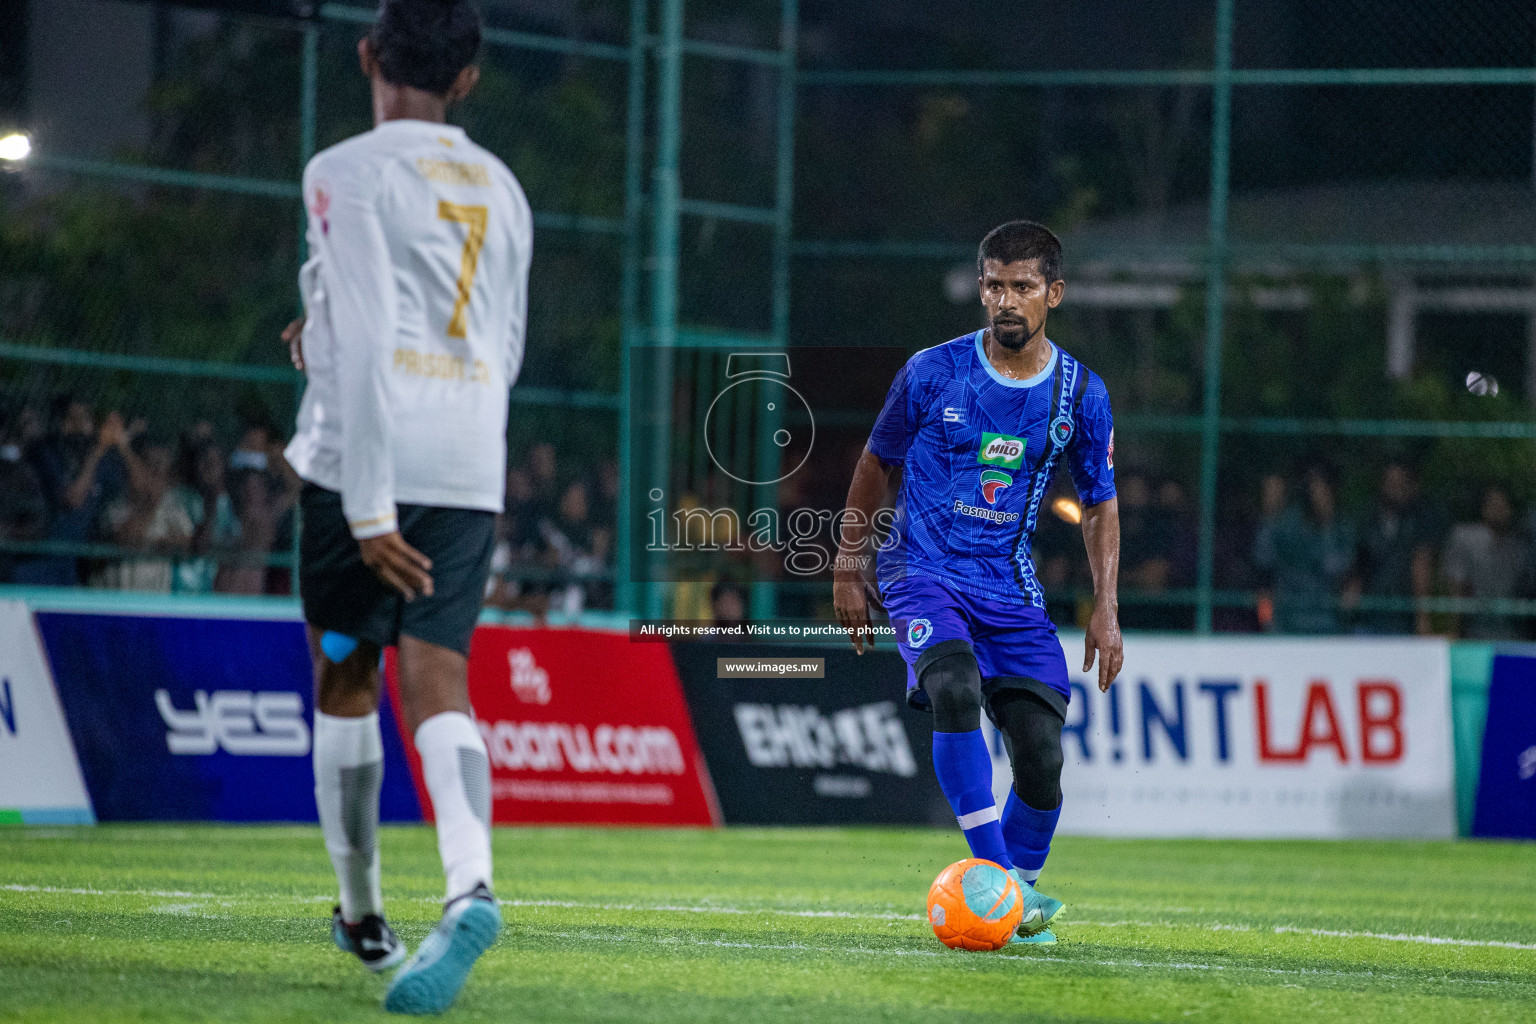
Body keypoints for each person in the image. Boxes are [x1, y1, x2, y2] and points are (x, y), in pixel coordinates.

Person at [280, 0, 532, 1012]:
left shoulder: (346, 168)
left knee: (345, 674)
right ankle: (471, 881)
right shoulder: (504, 186)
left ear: (367, 55)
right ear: (465, 80)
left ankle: (362, 910)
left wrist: (371, 506)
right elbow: (499, 345)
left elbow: (380, 337)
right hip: (469, 456)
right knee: (440, 685)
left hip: (361, 467)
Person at [834, 220, 1122, 946]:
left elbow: (1099, 504)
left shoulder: (1081, 394)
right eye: (994, 283)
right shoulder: (932, 371)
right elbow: (876, 464)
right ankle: (1005, 889)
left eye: (1023, 286)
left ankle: (1015, 898)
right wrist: (848, 560)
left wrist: (1106, 606)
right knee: (954, 687)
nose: (1006, 299)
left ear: (1053, 293)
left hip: (1011, 589)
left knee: (1042, 758)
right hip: (922, 569)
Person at [1252, 464, 1354, 634]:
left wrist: (1327, 526)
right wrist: (1266, 623)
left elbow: (1338, 570)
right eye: (1314, 491)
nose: (1319, 497)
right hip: (1284, 625)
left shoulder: (1343, 530)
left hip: (1326, 625)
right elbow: (1264, 581)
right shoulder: (1282, 528)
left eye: (1324, 491)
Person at [1356, 462, 1439, 635]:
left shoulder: (1420, 521)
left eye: (1400, 482)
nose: (1395, 488)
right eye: (1391, 482)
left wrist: (1422, 617)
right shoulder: (1367, 519)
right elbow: (1357, 565)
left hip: (1404, 619)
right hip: (1370, 615)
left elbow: (1421, 568)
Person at [1442, 485, 1532, 640]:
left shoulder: (1522, 545)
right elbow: (1456, 585)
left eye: (1503, 505)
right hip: (1472, 632)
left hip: (1514, 633)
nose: (1498, 510)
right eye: (1493, 504)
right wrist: (1454, 628)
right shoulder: (1464, 537)